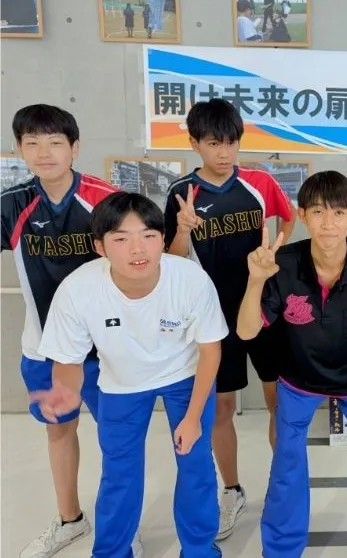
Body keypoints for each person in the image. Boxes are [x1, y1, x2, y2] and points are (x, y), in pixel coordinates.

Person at [31, 192, 229, 558]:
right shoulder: (78, 289)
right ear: (100, 247)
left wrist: (192, 418)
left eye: (149, 236)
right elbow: (69, 359)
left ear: (163, 239)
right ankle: (112, 552)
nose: (138, 249)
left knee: (196, 464)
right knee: (119, 473)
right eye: (121, 238)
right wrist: (65, 390)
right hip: (122, 382)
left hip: (185, 375)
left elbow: (210, 350)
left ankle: (200, 550)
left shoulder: (190, 279)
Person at [237, 171, 347, 558]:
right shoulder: (281, 264)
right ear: (302, 215)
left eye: (338, 213)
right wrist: (256, 280)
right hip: (297, 379)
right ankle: (281, 550)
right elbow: (246, 331)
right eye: (317, 212)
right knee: (286, 460)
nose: (328, 223)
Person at [164, 98, 296, 541]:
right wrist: (184, 229)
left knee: (279, 400)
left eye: (231, 143)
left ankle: (281, 486)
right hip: (213, 318)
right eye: (213, 143)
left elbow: (289, 219)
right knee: (221, 407)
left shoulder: (259, 182)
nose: (224, 153)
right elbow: (172, 261)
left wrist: (276, 249)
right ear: (195, 144)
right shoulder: (182, 192)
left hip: (264, 309)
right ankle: (232, 489)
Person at [1, 104, 123, 558]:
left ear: (75, 147)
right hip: (43, 347)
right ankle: (70, 519)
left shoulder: (106, 201)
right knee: (58, 431)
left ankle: (120, 526)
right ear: (19, 149)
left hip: (105, 349)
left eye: (54, 142)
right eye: (32, 143)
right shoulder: (11, 204)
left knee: (117, 440)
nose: (44, 152)